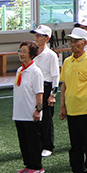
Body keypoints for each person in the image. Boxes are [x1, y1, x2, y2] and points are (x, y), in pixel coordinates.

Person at [59, 28, 87, 173]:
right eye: (71, 41)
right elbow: (64, 86)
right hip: (72, 109)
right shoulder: (67, 61)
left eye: (76, 41)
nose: (72, 44)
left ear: (84, 42)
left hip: (86, 109)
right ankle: (77, 171)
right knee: (75, 143)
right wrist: (63, 107)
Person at [13, 41, 45, 173]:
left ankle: (37, 166)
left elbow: (39, 93)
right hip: (19, 113)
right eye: (20, 51)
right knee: (24, 141)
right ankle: (28, 165)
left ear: (31, 54)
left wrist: (38, 110)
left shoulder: (35, 72)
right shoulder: (20, 70)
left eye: (24, 51)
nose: (21, 54)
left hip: (30, 113)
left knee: (33, 141)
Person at [31, 25, 60, 158]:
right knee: (34, 115)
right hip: (34, 87)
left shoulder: (51, 55)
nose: (36, 37)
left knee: (46, 117)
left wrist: (53, 95)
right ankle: (37, 143)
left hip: (46, 87)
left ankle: (48, 145)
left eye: (39, 35)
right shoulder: (33, 52)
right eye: (35, 35)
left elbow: (55, 76)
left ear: (47, 38)